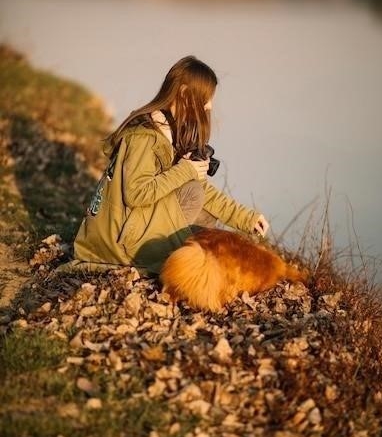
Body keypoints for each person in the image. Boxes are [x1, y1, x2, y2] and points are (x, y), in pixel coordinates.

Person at [73, 55, 269, 274]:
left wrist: (246, 218)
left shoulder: (169, 131)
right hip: (117, 243)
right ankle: (166, 262)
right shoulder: (145, 137)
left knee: (205, 216)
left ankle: (178, 260)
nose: (209, 105)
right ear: (184, 93)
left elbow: (204, 190)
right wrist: (185, 170)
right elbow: (136, 194)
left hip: (132, 227)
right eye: (206, 97)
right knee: (193, 195)